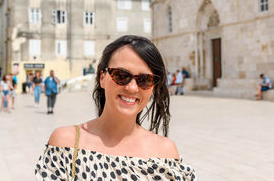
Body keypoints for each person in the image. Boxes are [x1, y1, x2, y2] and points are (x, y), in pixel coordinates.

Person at [35, 35, 196, 180]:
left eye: (145, 80)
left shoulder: (165, 153)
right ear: (102, 78)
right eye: (121, 75)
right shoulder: (65, 143)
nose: (132, 88)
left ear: (153, 86)